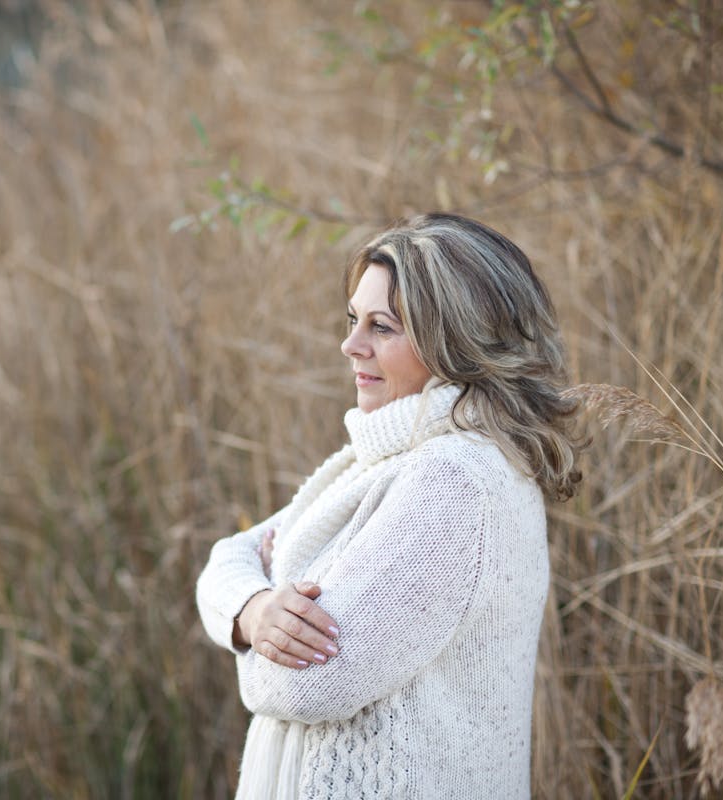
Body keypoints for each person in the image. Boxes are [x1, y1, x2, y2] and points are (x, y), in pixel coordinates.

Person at [195, 213, 585, 799]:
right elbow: (228, 557)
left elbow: (307, 684)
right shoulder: (382, 458)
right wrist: (253, 610)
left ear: (455, 339)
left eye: (382, 327)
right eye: (354, 320)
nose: (350, 345)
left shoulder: (455, 481)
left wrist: (260, 626)